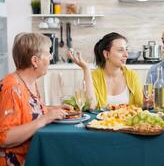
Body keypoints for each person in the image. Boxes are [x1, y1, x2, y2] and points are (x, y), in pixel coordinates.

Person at [0, 33, 71, 166]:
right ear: (35, 61)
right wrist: (45, 119)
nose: (51, 57)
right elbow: (4, 138)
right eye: (48, 53)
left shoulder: (30, 82)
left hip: (32, 155)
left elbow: (28, 113)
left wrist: (53, 110)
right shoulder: (12, 88)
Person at [68, 32, 143, 109]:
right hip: (100, 121)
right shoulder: (94, 76)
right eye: (120, 50)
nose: (126, 55)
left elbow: (141, 105)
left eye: (126, 49)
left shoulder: (132, 75)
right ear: (106, 54)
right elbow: (91, 106)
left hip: (127, 120)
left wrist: (148, 102)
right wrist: (86, 69)